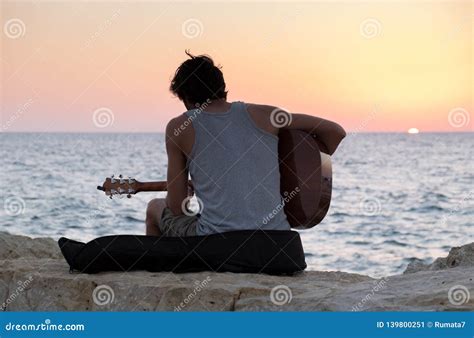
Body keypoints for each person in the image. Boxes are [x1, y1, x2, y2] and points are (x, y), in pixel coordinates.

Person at [146, 51, 346, 236]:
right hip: (279, 246)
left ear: (186, 98)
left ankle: (157, 274)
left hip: (218, 245)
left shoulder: (178, 127)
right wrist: (302, 174)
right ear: (221, 89)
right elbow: (335, 132)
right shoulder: (266, 115)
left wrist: (188, 194)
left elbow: (176, 208)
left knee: (155, 208)